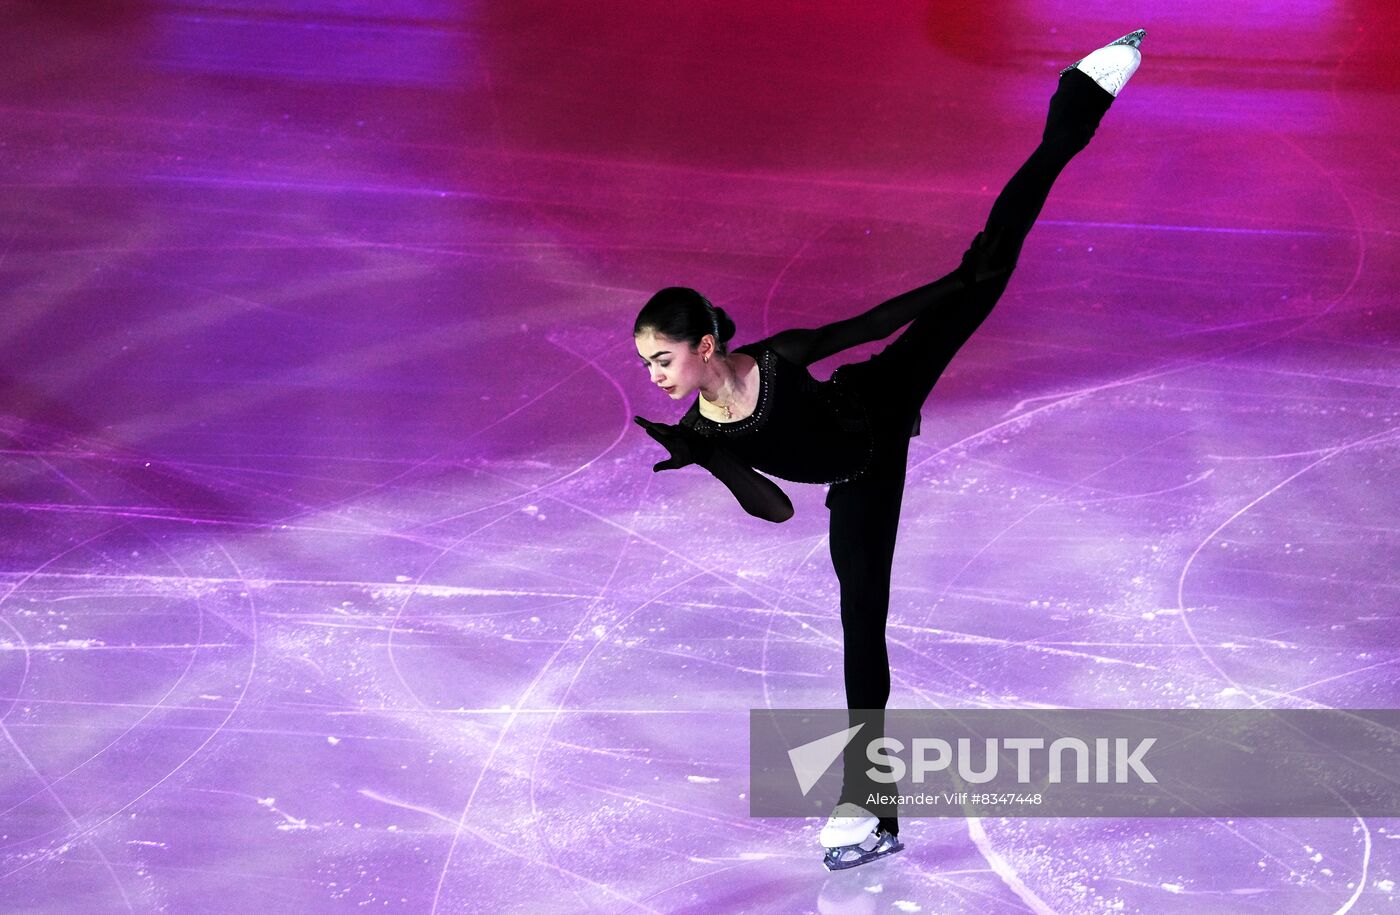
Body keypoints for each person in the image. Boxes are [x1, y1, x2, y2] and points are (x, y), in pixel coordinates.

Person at [632, 29, 1146, 870]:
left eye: (662, 357)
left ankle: (1078, 100)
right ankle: (872, 804)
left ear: (703, 342)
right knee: (859, 628)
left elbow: (862, 328)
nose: (655, 376)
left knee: (993, 259)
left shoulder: (773, 356)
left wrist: (958, 284)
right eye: (648, 364)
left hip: (882, 391)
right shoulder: (697, 427)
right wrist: (716, 461)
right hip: (859, 480)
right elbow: (777, 505)